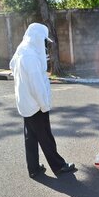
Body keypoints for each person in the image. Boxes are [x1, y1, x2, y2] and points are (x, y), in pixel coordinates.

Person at [9, 23, 75, 178]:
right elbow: (37, 86)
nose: (45, 43)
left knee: (30, 137)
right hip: (36, 105)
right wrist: (44, 106)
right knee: (46, 137)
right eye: (44, 40)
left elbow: (11, 65)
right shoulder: (30, 56)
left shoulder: (22, 50)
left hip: (25, 104)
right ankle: (59, 166)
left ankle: (34, 169)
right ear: (37, 38)